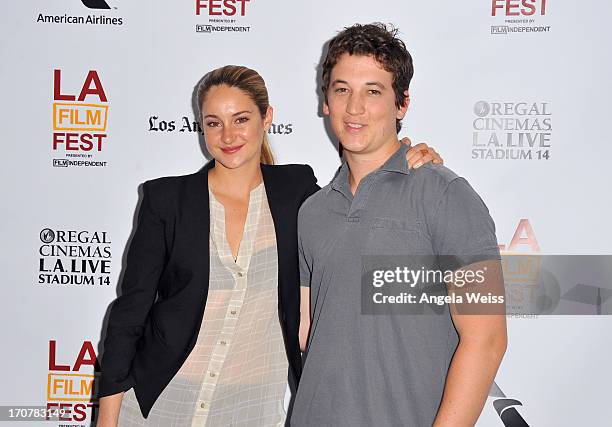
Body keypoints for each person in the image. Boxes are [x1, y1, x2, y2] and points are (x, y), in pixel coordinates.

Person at [96, 65, 442, 426]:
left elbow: (358, 194)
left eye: (241, 119)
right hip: (161, 402)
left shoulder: (296, 190)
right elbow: (129, 314)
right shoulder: (167, 199)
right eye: (214, 123)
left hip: (251, 408)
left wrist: (405, 156)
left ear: (267, 118)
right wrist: (109, 419)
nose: (228, 135)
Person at [293, 23, 507, 427]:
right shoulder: (312, 212)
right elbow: (308, 332)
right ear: (326, 101)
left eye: (373, 91)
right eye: (342, 90)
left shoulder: (446, 195)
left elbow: (487, 340)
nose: (354, 108)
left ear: (401, 104)